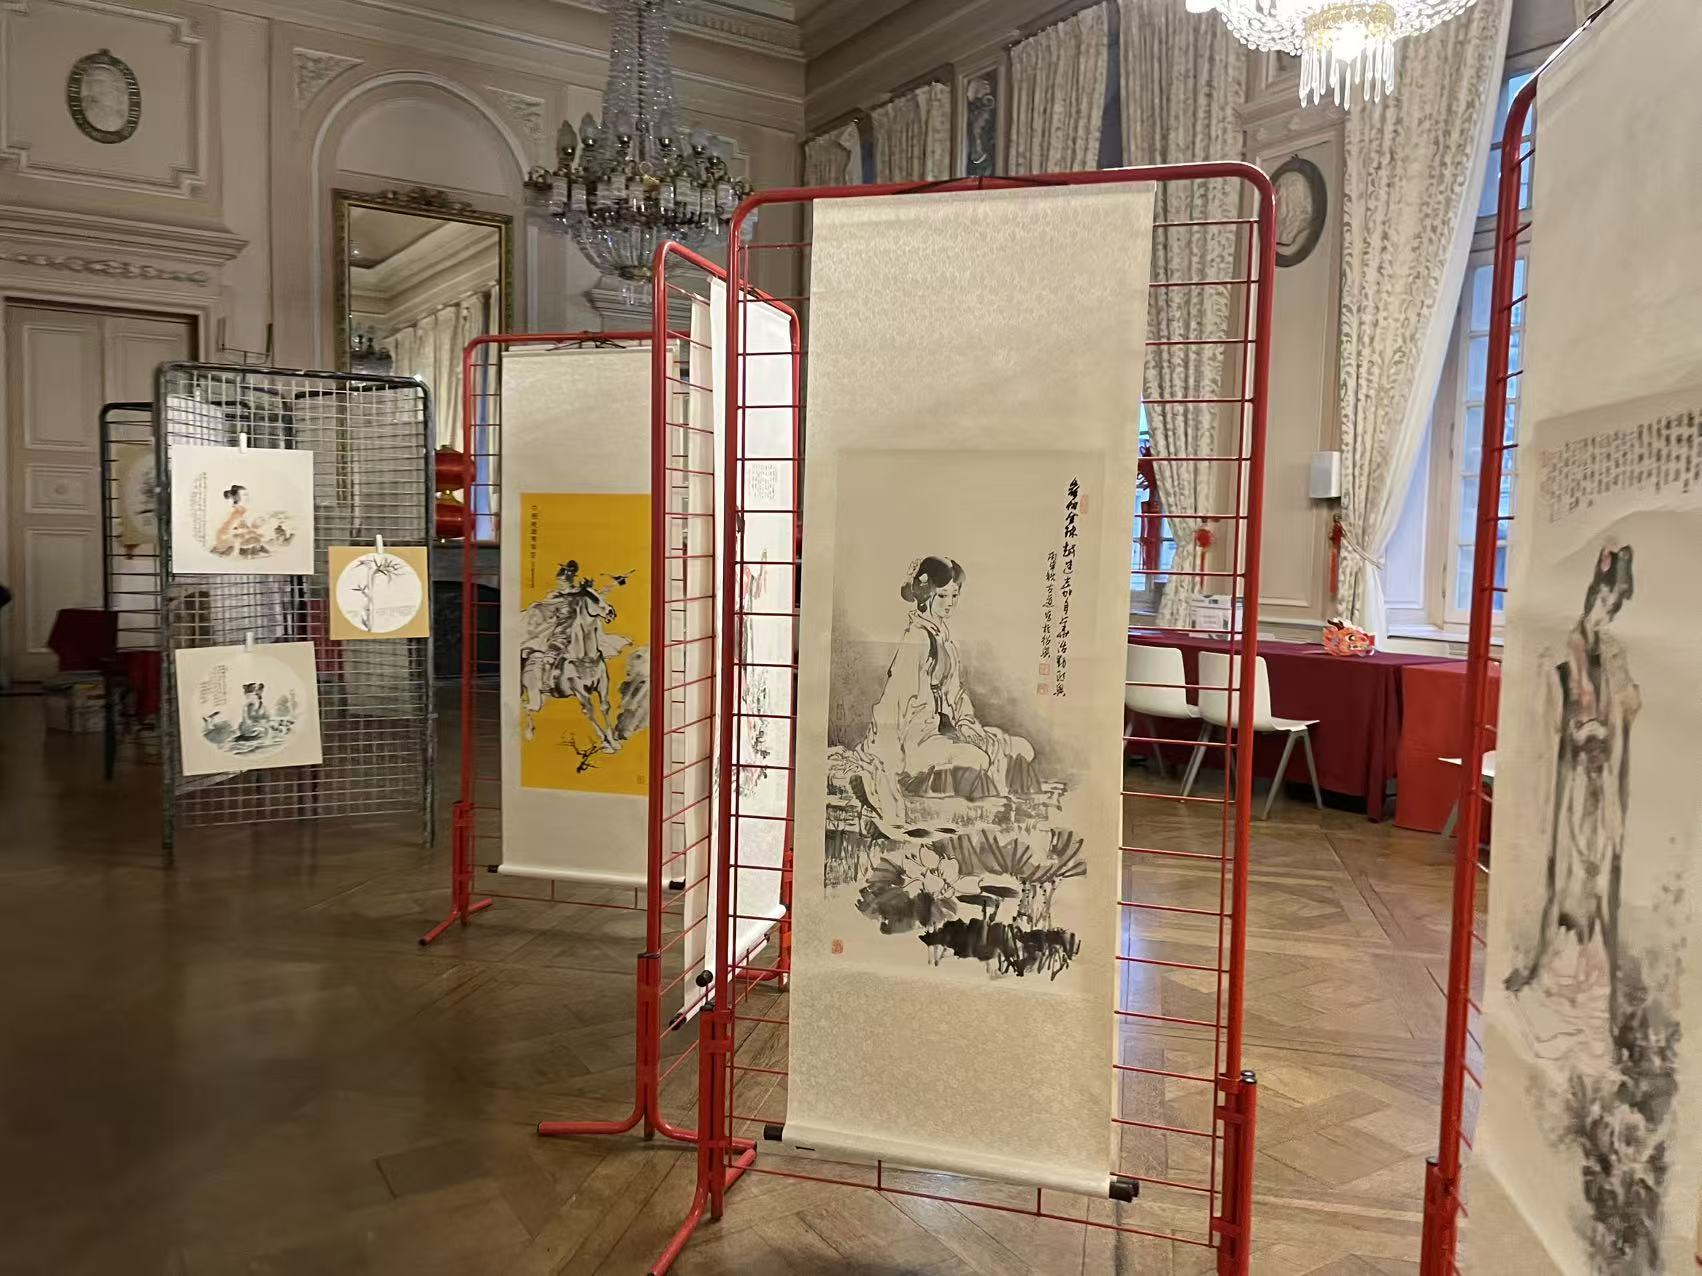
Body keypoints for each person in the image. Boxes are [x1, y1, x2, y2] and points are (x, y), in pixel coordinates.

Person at [1506, 543, 1639, 1025]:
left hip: (1600, 778)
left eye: (1615, 603)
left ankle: (1596, 975)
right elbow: (1549, 717)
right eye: (1606, 598)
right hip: (1569, 774)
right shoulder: (1564, 651)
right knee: (1563, 865)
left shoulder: (1613, 652)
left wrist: (1612, 715)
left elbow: (1627, 707)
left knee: (1598, 868)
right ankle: (1546, 961)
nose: (1608, 609)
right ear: (1593, 594)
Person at [863, 555, 1036, 798]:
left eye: (955, 595)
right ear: (927, 595)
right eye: (943, 596)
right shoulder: (917, 639)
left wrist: (966, 724)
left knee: (1021, 748)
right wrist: (892, 757)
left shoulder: (946, 641)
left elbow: (956, 694)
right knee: (976, 759)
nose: (950, 603)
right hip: (918, 736)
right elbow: (897, 700)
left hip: (948, 728)